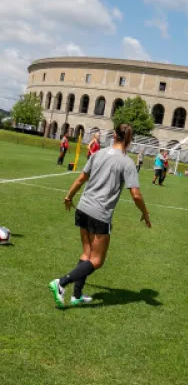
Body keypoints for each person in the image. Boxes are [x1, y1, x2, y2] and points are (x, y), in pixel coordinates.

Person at [49, 124, 151, 308]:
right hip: (100, 214)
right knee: (97, 260)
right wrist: (145, 212)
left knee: (87, 253)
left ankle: (76, 295)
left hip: (83, 207)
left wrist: (69, 196)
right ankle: (61, 283)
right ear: (129, 140)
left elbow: (81, 179)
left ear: (113, 135)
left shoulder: (98, 154)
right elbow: (136, 195)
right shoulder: (127, 162)